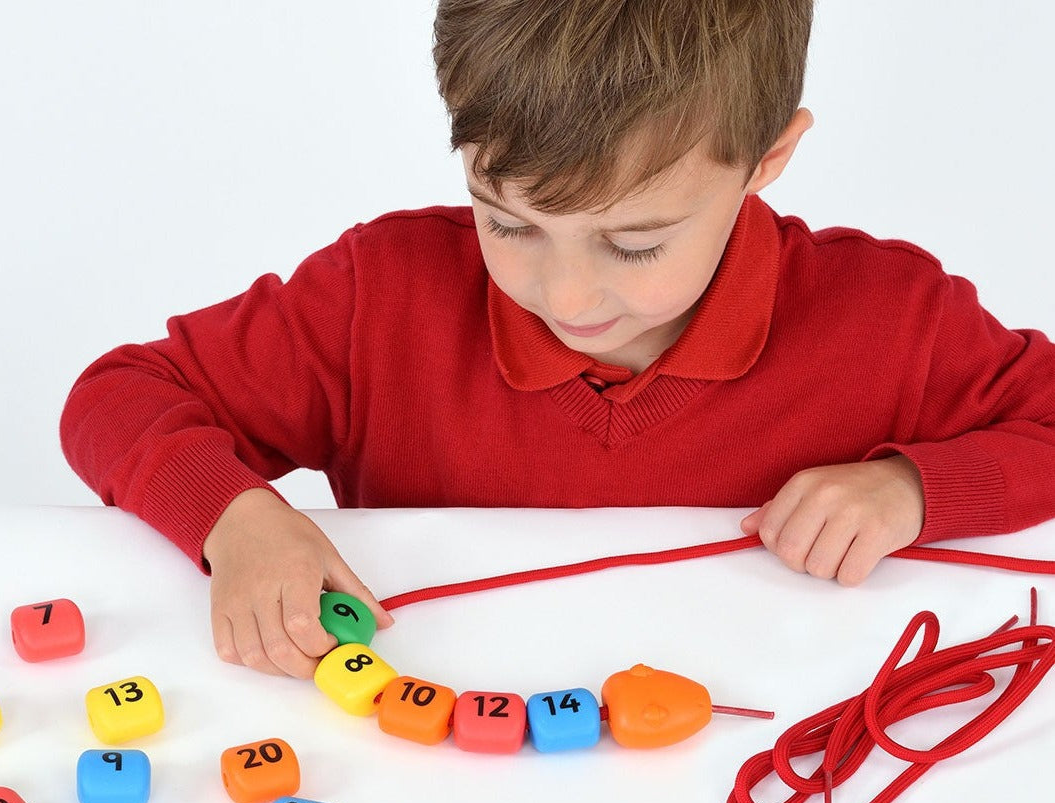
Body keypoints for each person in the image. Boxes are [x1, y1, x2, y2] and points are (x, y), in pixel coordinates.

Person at [60, 0, 1055, 680]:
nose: (564, 291)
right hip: (424, 769)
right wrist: (234, 518)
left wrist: (913, 489)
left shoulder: (889, 320)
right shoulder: (378, 298)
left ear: (769, 158)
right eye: (508, 221)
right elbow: (118, 396)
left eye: (633, 241)